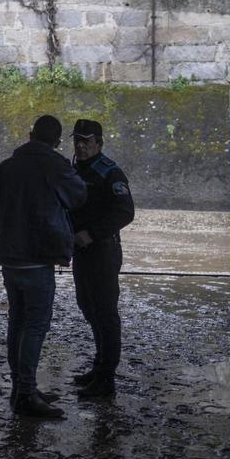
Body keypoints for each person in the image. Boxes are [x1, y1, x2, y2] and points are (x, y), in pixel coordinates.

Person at [0, 115, 87, 419]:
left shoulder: (5, 167)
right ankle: (27, 394)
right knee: (35, 326)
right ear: (56, 142)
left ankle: (20, 388)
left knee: (16, 322)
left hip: (9, 258)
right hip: (38, 257)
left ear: (30, 134)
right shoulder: (55, 166)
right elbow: (79, 196)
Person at [68, 118, 135, 398]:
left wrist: (92, 233)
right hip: (81, 251)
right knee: (87, 306)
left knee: (105, 312)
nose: (81, 146)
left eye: (87, 141)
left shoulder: (110, 173)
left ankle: (106, 378)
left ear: (99, 143)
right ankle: (99, 366)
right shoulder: (74, 169)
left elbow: (125, 212)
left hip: (103, 250)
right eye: (77, 141)